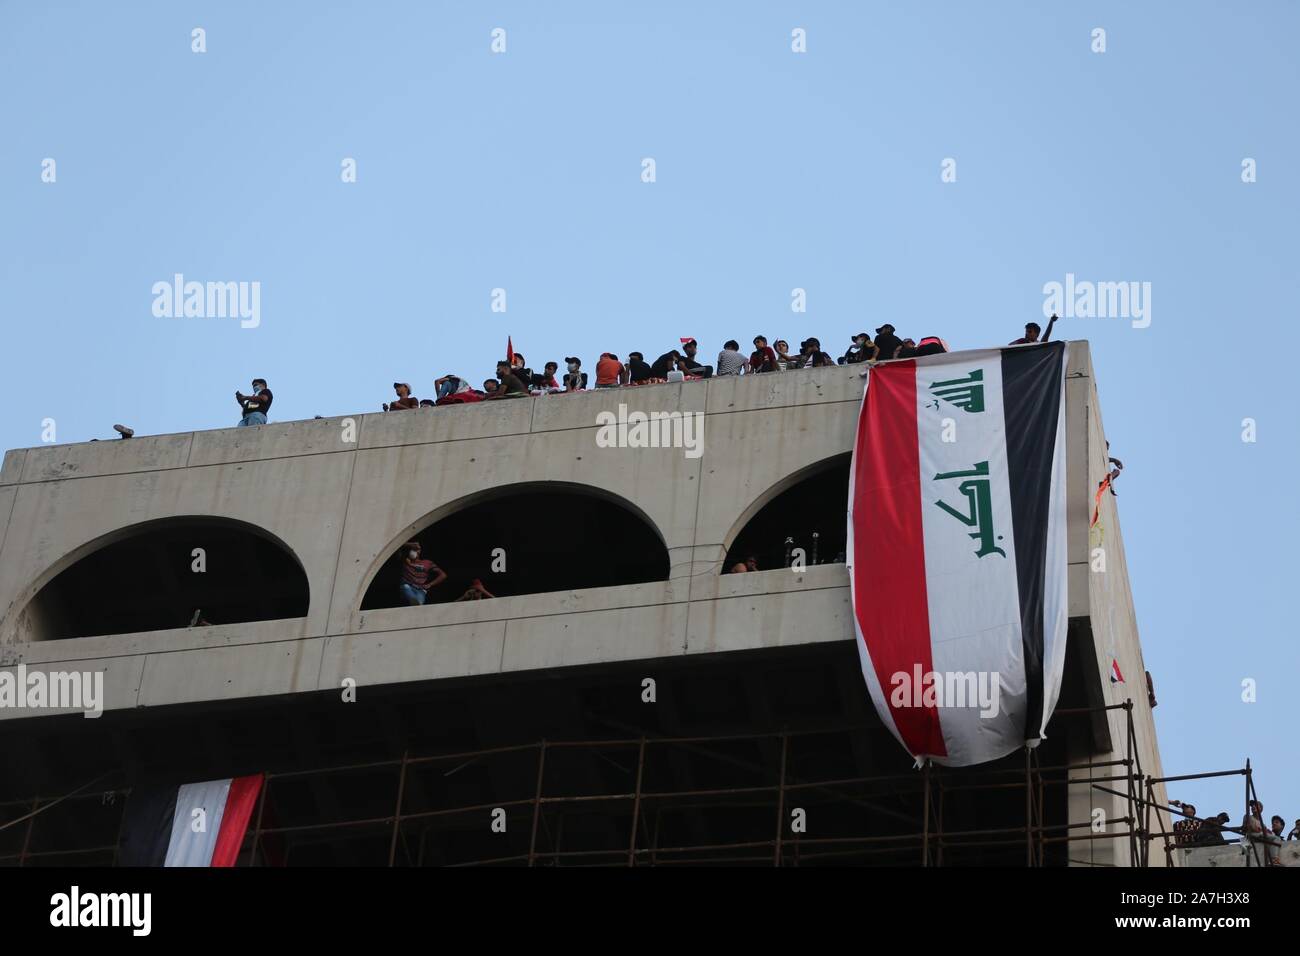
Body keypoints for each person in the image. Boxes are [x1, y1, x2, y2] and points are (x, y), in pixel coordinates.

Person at [398, 541, 447, 606]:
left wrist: (430, 584)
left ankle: (415, 602)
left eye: (417, 550)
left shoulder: (427, 563)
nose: (415, 552)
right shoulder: (404, 560)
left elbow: (443, 575)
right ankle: (412, 599)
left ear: (420, 551)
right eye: (413, 550)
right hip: (408, 587)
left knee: (418, 603)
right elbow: (396, 547)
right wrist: (410, 544)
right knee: (405, 587)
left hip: (420, 590)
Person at [1243, 801, 1284, 866]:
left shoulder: (1263, 824)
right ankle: (1274, 860)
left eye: (1256, 805)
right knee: (1276, 838)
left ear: (1261, 808)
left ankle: (1272, 860)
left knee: (1275, 838)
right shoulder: (1248, 816)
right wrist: (1258, 830)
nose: (1253, 806)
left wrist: (1260, 830)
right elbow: (1247, 828)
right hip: (1251, 837)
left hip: (1259, 837)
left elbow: (1263, 831)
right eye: (1252, 806)